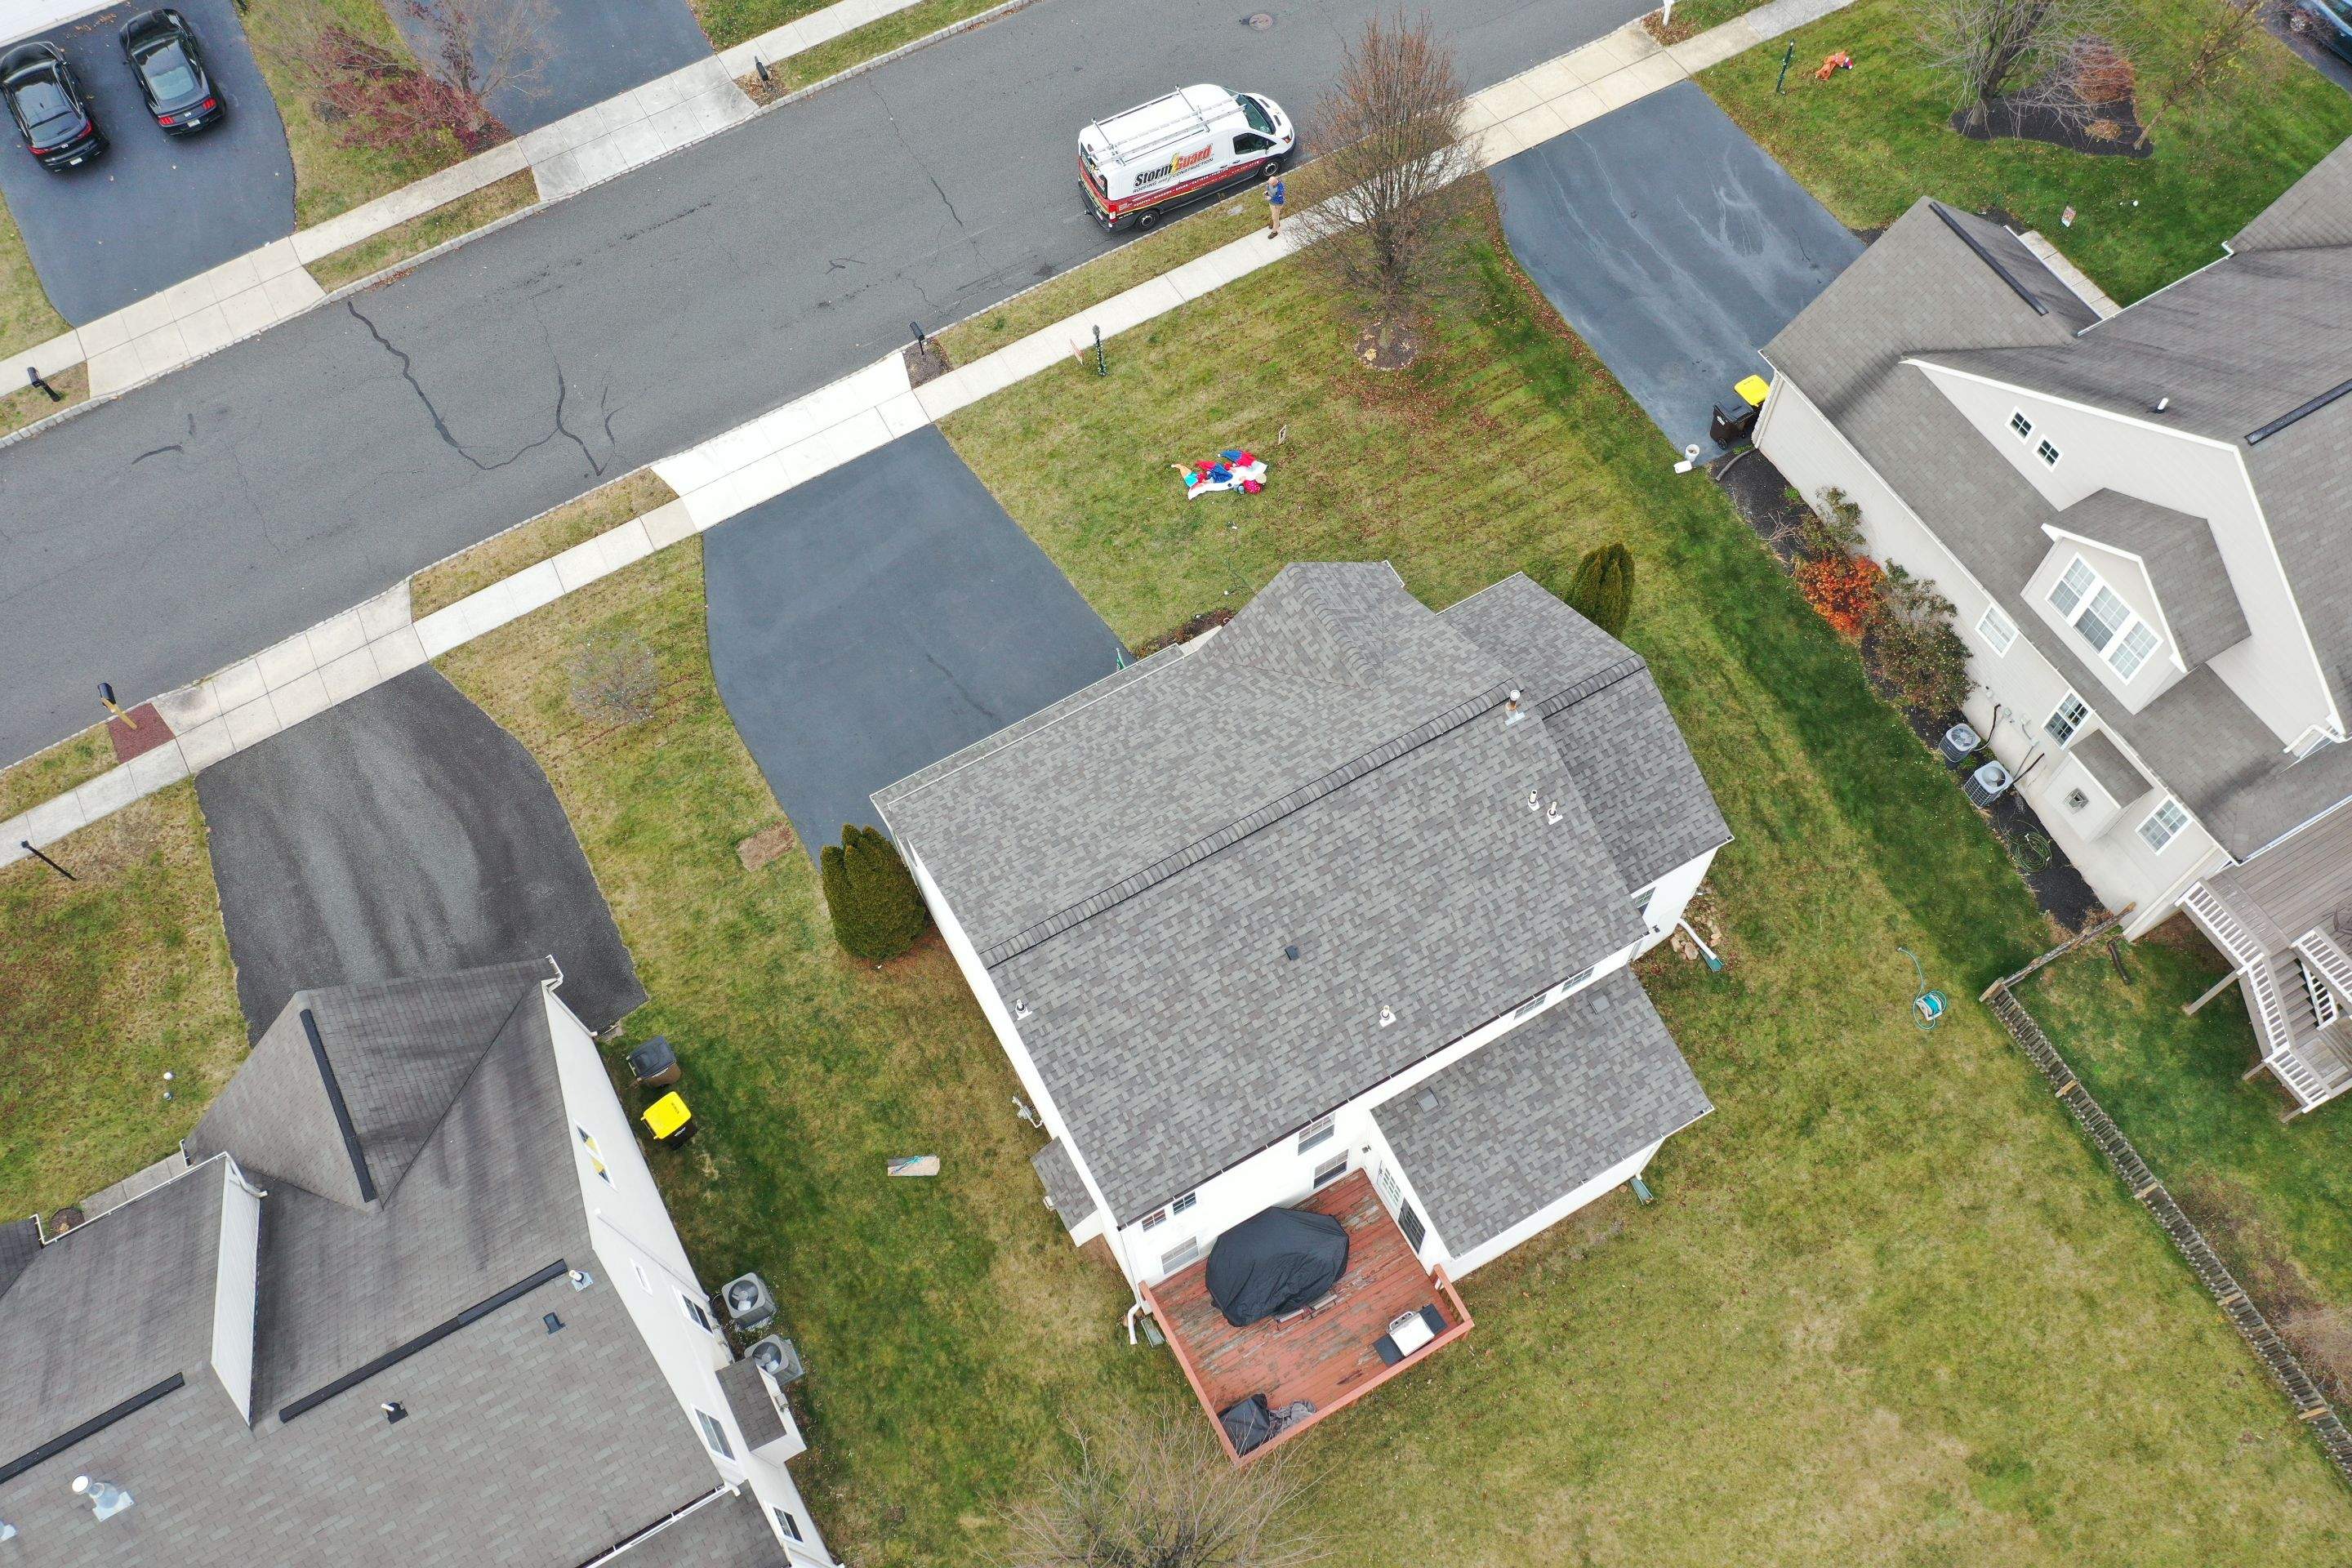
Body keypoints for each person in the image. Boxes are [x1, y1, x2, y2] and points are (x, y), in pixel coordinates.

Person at [1266, 169, 1286, 236]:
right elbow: (1270, 189)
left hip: (1277, 205)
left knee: (1275, 218)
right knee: (1274, 215)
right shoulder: (1271, 183)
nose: (1269, 184)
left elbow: (1280, 199)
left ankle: (1274, 232)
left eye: (1270, 184)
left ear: (1274, 183)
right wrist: (1267, 192)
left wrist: (1271, 198)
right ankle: (1277, 223)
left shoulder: (1280, 189)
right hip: (1272, 203)